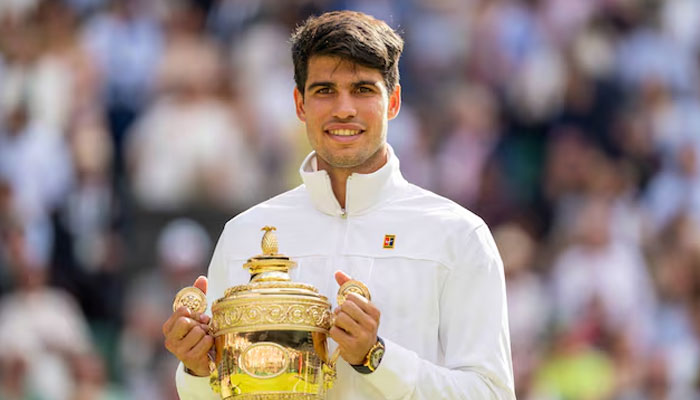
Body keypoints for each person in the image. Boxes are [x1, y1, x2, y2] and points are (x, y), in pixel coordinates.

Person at [162, 10, 515, 399]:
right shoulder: (244, 234)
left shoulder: (459, 235)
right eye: (324, 90)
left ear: (393, 101)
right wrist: (196, 370)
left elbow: (491, 393)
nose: (343, 109)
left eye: (363, 89)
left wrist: (376, 357)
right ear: (300, 104)